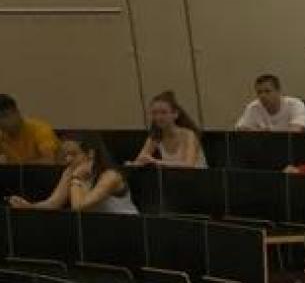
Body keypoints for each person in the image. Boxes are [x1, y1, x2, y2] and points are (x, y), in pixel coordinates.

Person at [7, 134, 138, 214]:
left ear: (91, 153)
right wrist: (30, 207)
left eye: (73, 154)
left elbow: (79, 207)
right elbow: (53, 203)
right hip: (100, 229)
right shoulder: (70, 170)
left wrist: (76, 179)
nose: (68, 159)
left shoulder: (110, 176)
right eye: (66, 155)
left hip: (127, 226)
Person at [133, 91, 204, 168]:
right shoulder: (156, 136)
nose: (158, 117)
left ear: (175, 114)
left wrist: (155, 162)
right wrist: (132, 164)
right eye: (154, 113)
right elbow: (139, 161)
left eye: (163, 113)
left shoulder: (189, 135)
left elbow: (189, 165)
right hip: (173, 175)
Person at [233, 74, 305, 133]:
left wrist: (268, 135)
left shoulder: (295, 105)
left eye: (267, 91)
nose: (262, 96)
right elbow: (240, 129)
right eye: (259, 92)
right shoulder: (254, 107)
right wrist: (259, 132)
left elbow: (296, 131)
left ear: (278, 91)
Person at [0, 94, 59, 163]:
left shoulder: (40, 129)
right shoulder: (2, 135)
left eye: (5, 116)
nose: (2, 122)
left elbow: (49, 161)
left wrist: (17, 166)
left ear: (17, 113)